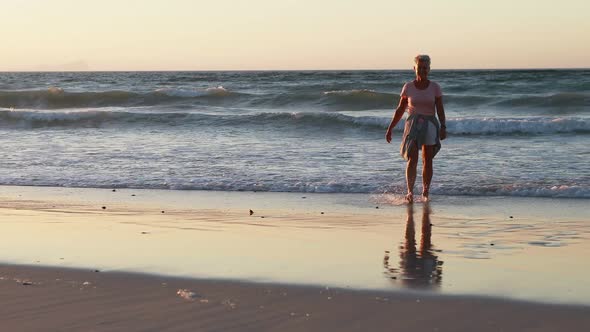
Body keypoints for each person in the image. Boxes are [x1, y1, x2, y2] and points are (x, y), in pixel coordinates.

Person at [385, 55, 447, 202]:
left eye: (425, 68)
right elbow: (400, 109)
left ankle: (425, 192)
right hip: (412, 123)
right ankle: (410, 192)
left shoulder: (435, 87)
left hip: (430, 124)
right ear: (415, 68)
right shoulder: (408, 87)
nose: (422, 70)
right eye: (420, 67)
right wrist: (390, 128)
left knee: (427, 160)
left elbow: (440, 109)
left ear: (429, 69)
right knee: (412, 158)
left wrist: (443, 126)